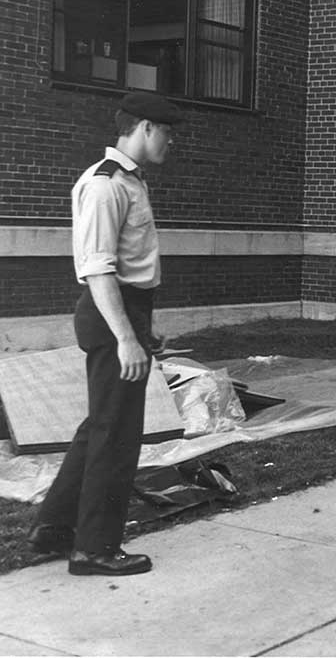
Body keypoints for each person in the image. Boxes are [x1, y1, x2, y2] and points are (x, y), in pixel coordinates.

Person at [28, 91, 183, 576]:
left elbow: (132, 265)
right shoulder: (104, 186)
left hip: (127, 311)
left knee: (101, 423)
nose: (171, 142)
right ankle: (94, 549)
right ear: (143, 129)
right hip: (108, 313)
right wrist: (126, 338)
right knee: (117, 434)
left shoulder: (130, 182)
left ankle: (54, 526)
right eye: (167, 132)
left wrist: (143, 326)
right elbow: (98, 270)